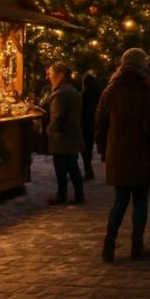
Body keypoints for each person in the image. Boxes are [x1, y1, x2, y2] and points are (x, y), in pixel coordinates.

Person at [95, 48, 150, 262]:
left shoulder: (111, 90)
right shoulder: (145, 90)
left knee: (119, 201)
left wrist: (103, 149)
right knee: (140, 202)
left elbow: (100, 123)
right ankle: (137, 246)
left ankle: (109, 246)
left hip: (117, 154)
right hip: (140, 155)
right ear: (142, 65)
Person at [45, 63, 85, 205]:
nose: (48, 77)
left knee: (62, 168)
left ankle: (62, 195)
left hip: (62, 138)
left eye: (51, 74)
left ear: (60, 76)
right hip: (72, 135)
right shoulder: (73, 90)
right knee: (73, 166)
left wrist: (49, 129)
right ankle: (79, 194)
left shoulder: (61, 94)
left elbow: (57, 117)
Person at [80, 72, 102, 180]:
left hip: (85, 124)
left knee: (85, 150)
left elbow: (82, 110)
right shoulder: (99, 93)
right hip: (93, 123)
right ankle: (88, 170)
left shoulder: (84, 94)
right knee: (89, 148)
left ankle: (88, 170)